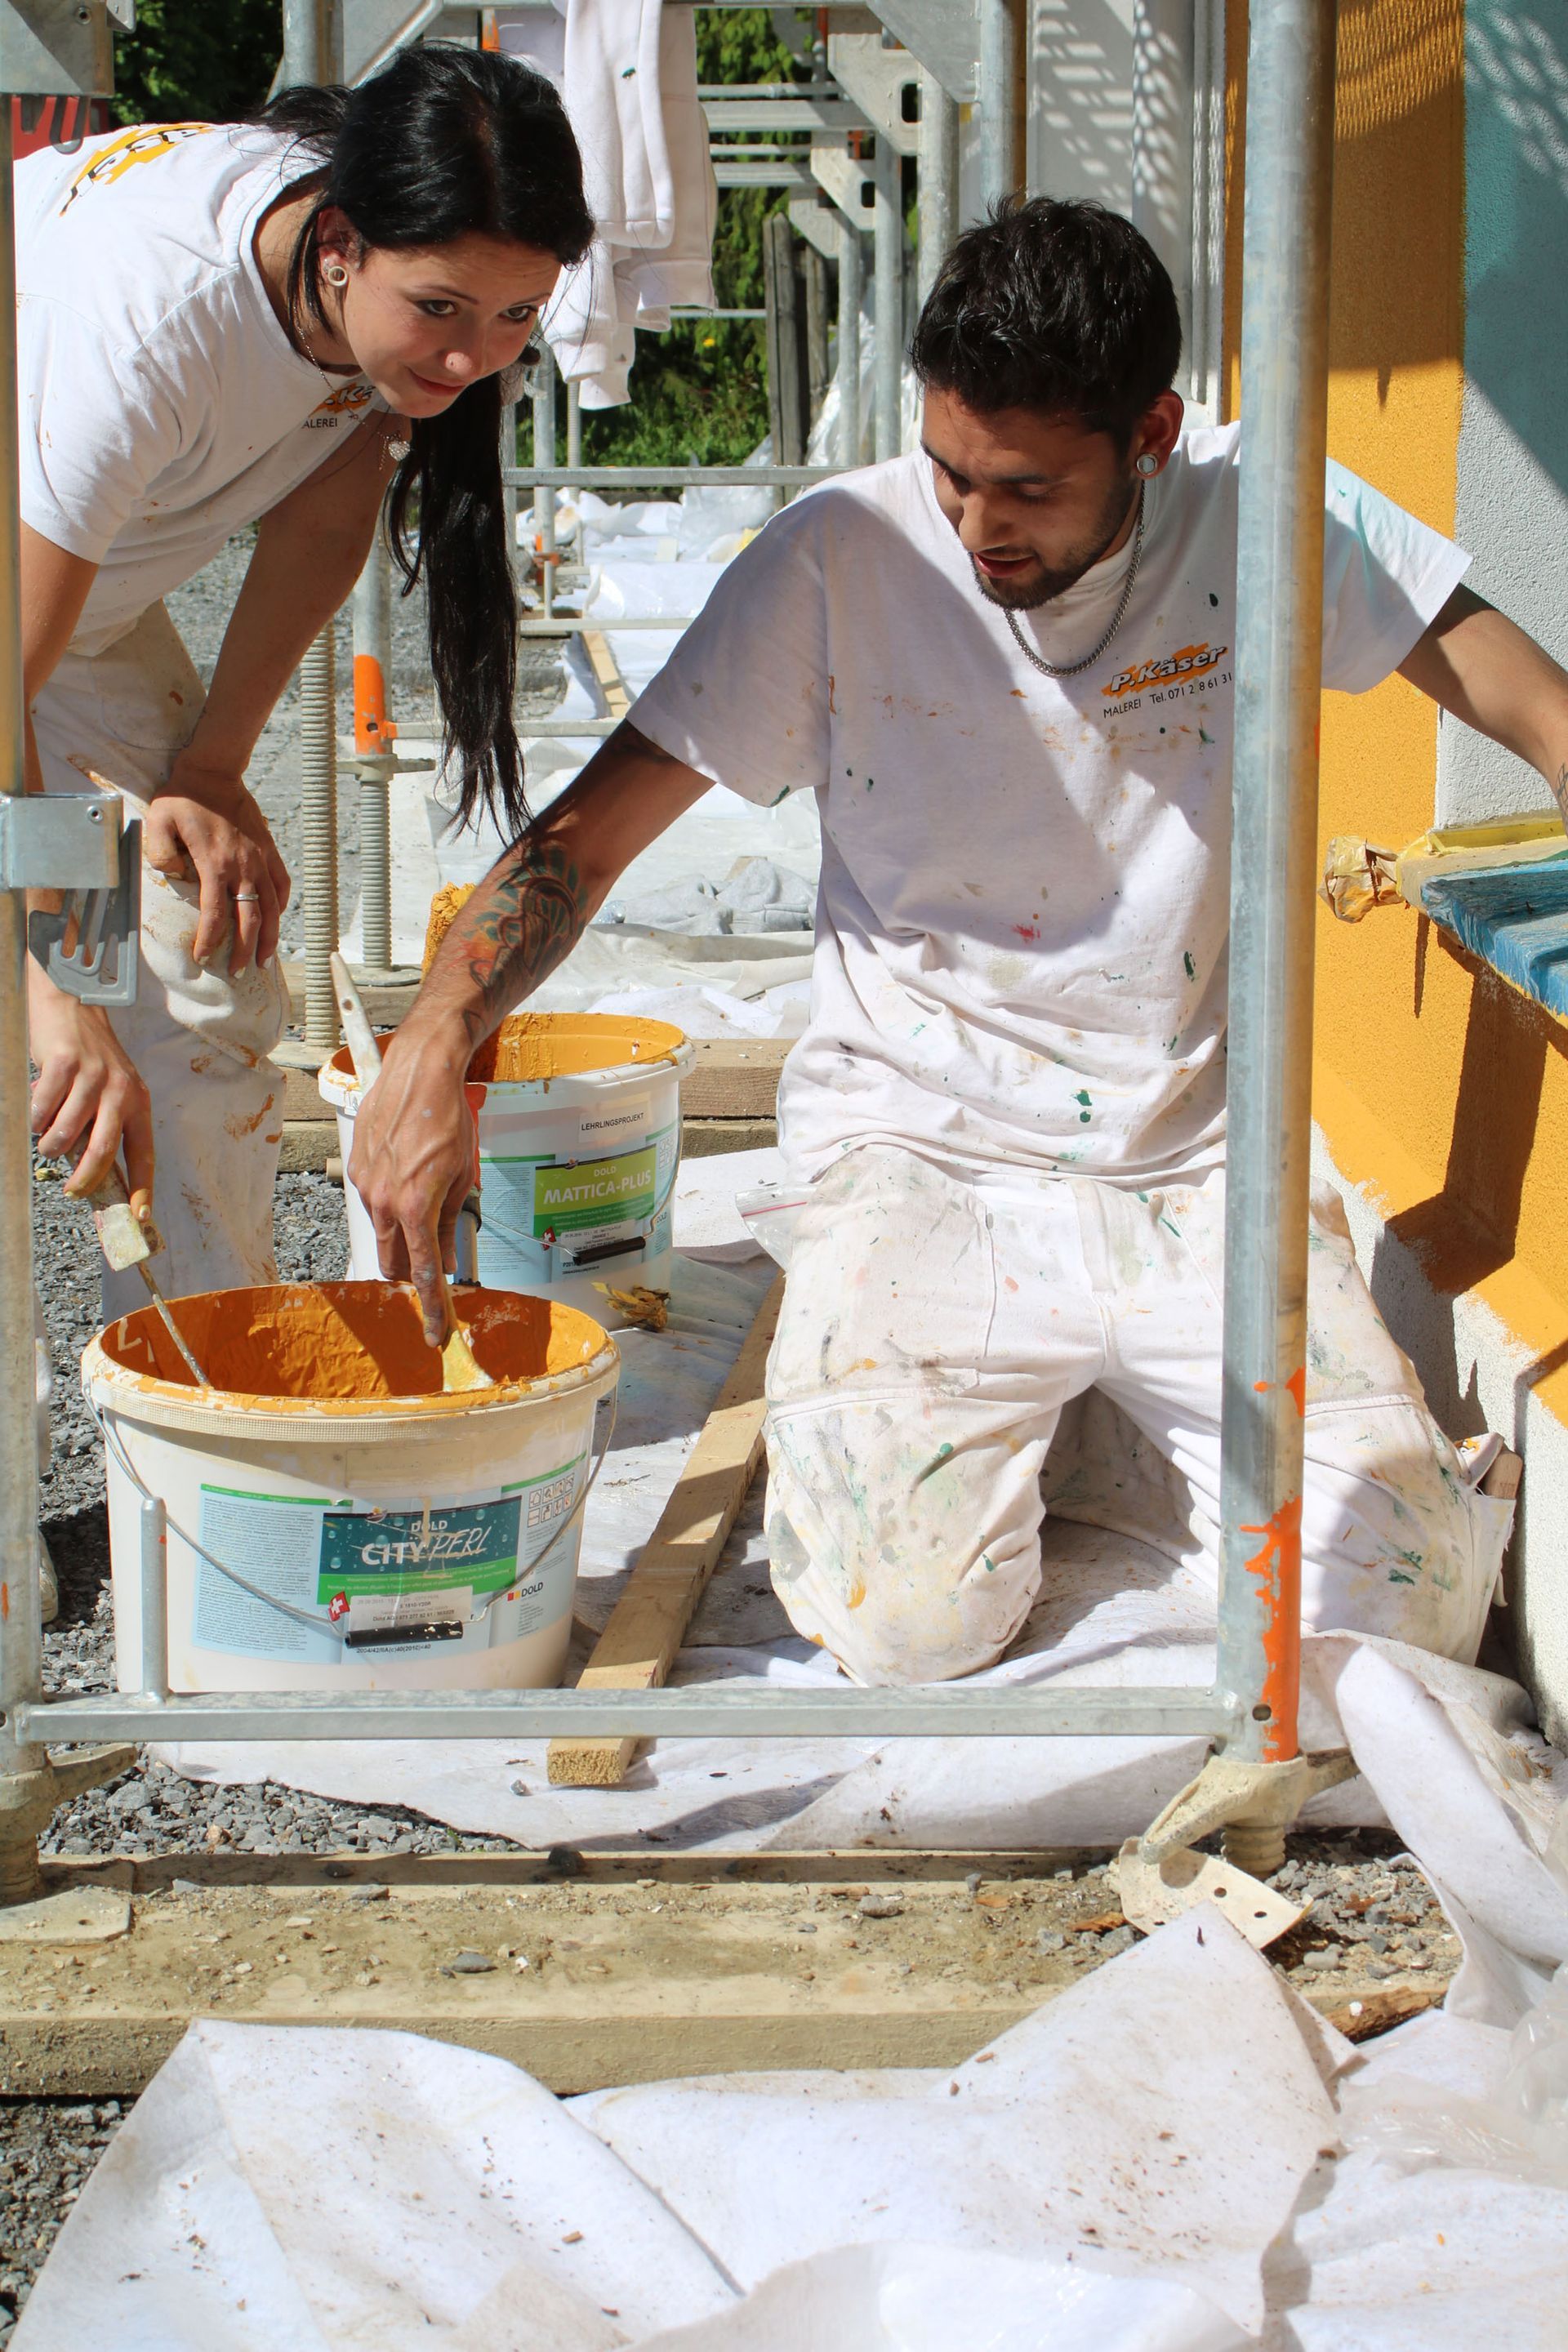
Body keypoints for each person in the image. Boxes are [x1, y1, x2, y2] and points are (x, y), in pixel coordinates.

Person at [352, 197, 1564, 1686]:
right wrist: (431, 1041)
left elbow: (1541, 710)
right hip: (918, 1145)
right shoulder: (842, 557)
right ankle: (1028, 1418)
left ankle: (1091, 1428)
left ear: (1156, 433)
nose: (980, 525)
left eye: (1029, 489)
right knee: (908, 1627)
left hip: (1193, 1164)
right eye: (951, 472)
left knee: (1406, 1602)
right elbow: (584, 842)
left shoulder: (1270, 515)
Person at [20, 43, 593, 1316]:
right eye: (441, 308)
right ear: (340, 245)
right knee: (52, 1036)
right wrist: (51, 985)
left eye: (516, 320)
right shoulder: (149, 322)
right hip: (16, 650)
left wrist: (212, 768)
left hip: (65, 629)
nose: (472, 361)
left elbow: (325, 522)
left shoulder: (356, 278)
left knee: (200, 969)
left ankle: (200, 1420)